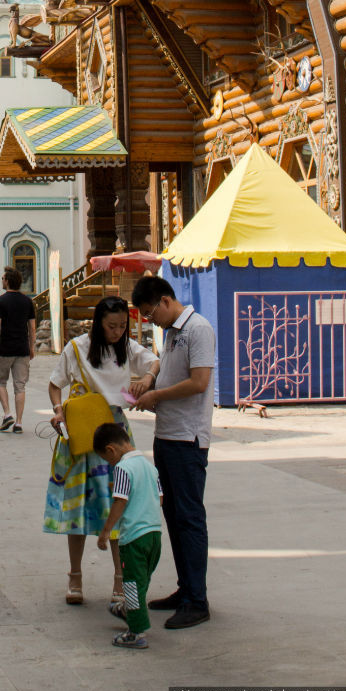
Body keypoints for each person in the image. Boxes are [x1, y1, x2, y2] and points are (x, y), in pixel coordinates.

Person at [45, 295, 159, 611]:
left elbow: (153, 361)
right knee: (78, 506)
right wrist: (58, 411)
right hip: (82, 431)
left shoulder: (127, 347)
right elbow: (55, 384)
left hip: (115, 431)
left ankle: (120, 580)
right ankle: (75, 576)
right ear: (99, 323)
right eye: (112, 326)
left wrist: (148, 378)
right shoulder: (78, 347)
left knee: (118, 503)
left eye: (123, 326)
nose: (118, 332)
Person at [131, 274, 215, 630]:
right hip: (167, 435)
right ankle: (186, 589)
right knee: (175, 518)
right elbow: (168, 371)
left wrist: (156, 396)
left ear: (166, 301)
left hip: (187, 438)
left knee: (189, 518)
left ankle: (198, 599)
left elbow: (199, 382)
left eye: (151, 313)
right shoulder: (173, 333)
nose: (151, 320)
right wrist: (150, 382)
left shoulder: (198, 329)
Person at [95, 422, 163, 650]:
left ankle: (136, 631)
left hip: (134, 537)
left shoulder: (123, 469)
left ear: (111, 450)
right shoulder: (148, 465)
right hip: (154, 535)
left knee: (132, 584)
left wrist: (105, 532)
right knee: (141, 581)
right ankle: (129, 611)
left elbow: (120, 501)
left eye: (107, 459)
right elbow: (160, 497)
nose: (109, 463)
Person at [0, 266, 35, 434]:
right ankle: (19, 422)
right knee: (20, 386)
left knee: (0, 381)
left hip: (5, 348)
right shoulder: (27, 301)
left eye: (3, 278)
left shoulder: (1, 301)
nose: (1, 280)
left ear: (7, 281)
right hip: (22, 348)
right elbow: (32, 327)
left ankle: (7, 413)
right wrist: (32, 347)